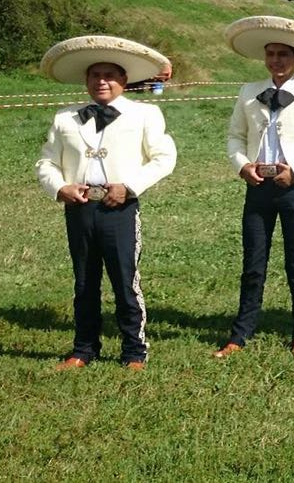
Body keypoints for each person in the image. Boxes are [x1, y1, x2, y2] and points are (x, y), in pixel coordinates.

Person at [37, 36, 176, 370]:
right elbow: (46, 162)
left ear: (124, 80)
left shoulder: (145, 114)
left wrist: (129, 187)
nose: (102, 81)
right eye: (95, 75)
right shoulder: (65, 117)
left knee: (124, 280)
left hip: (119, 208)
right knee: (84, 281)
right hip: (80, 208)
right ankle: (84, 348)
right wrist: (61, 188)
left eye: (109, 75)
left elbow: (164, 158)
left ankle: (134, 351)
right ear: (86, 80)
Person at [213, 16, 294, 359]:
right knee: (253, 262)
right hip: (258, 187)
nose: (276, 60)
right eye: (270, 54)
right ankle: (241, 333)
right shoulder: (248, 92)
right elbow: (235, 136)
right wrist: (242, 165)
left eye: (283, 54)